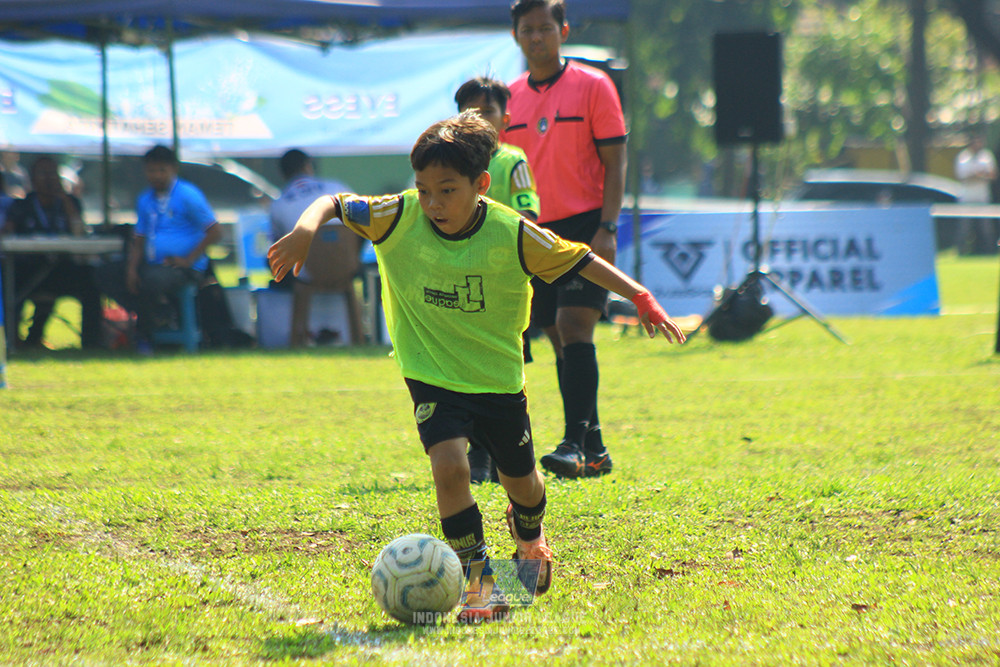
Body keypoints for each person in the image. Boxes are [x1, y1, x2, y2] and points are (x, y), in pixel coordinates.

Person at [268, 112, 685, 622]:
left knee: (525, 485)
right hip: (430, 372)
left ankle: (529, 537)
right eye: (424, 189)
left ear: (481, 184)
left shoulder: (513, 234)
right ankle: (480, 581)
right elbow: (332, 202)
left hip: (497, 380)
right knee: (449, 468)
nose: (433, 203)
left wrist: (640, 296)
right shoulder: (397, 216)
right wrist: (305, 231)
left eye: (447, 190)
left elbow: (580, 260)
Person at [504, 0, 628, 479]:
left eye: (545, 28)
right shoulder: (509, 97)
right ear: (516, 35)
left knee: (574, 328)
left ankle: (573, 443)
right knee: (557, 337)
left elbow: (616, 162)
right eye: (528, 29)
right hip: (533, 232)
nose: (537, 38)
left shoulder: (594, 86)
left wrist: (608, 227)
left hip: (585, 227)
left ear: (563, 30)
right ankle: (593, 447)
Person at [454, 75, 542, 484]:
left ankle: (491, 454)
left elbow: (528, 216)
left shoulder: (512, 162)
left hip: (501, 282)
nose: (478, 118)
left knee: (499, 370)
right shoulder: (447, 161)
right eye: (469, 111)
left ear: (505, 118)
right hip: (457, 280)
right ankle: (477, 450)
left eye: (486, 111)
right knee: (462, 365)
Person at [97, 145, 221, 353]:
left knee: (152, 280)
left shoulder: (188, 195)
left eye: (162, 170)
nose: (156, 176)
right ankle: (156, 316)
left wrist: (188, 259)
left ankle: (147, 331)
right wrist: (131, 269)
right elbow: (140, 237)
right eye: (151, 170)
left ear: (174, 169)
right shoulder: (145, 199)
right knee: (104, 273)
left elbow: (215, 231)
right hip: (153, 265)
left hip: (183, 267)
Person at [3, 155, 103, 350]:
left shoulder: (70, 203)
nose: (49, 179)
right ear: (32, 179)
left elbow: (79, 232)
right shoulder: (22, 206)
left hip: (61, 267)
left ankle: (92, 344)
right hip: (28, 268)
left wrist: (65, 200)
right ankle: (15, 341)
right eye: (43, 174)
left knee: (92, 280)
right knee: (10, 284)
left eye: (52, 174)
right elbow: (9, 232)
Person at [268, 148, 352, 286]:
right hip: (347, 266)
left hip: (306, 274)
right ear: (308, 166)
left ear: (282, 174)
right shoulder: (337, 187)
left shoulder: (278, 204)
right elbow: (363, 222)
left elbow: (276, 245)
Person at [954, 134, 998, 255]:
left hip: (982, 198)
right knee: (965, 227)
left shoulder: (986, 156)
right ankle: (961, 252)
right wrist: (979, 175)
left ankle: (990, 251)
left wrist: (978, 175)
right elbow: (962, 177)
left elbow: (993, 175)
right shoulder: (963, 157)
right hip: (967, 199)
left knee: (986, 227)